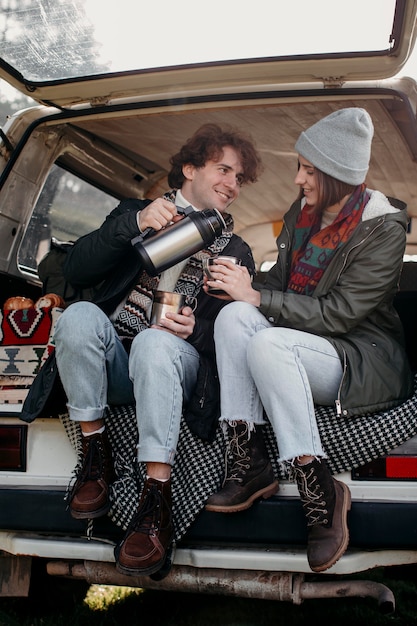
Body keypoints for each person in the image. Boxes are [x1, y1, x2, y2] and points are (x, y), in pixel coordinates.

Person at [203, 108, 414, 573]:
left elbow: (340, 314)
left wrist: (259, 295)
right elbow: (276, 283)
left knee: (266, 341)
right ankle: (248, 459)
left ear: (338, 174)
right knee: (235, 316)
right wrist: (242, 285)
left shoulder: (384, 228)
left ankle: (317, 484)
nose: (298, 178)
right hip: (299, 341)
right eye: (301, 166)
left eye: (309, 170)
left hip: (358, 354)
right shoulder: (302, 214)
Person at [50, 123, 265, 578]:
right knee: (78, 316)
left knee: (155, 340)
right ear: (189, 168)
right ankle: (95, 456)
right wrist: (135, 223)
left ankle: (156, 501)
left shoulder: (236, 248)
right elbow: (77, 268)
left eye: (239, 178)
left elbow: (233, 335)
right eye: (223, 170)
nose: (232, 184)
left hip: (175, 363)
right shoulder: (135, 211)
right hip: (117, 361)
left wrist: (195, 330)